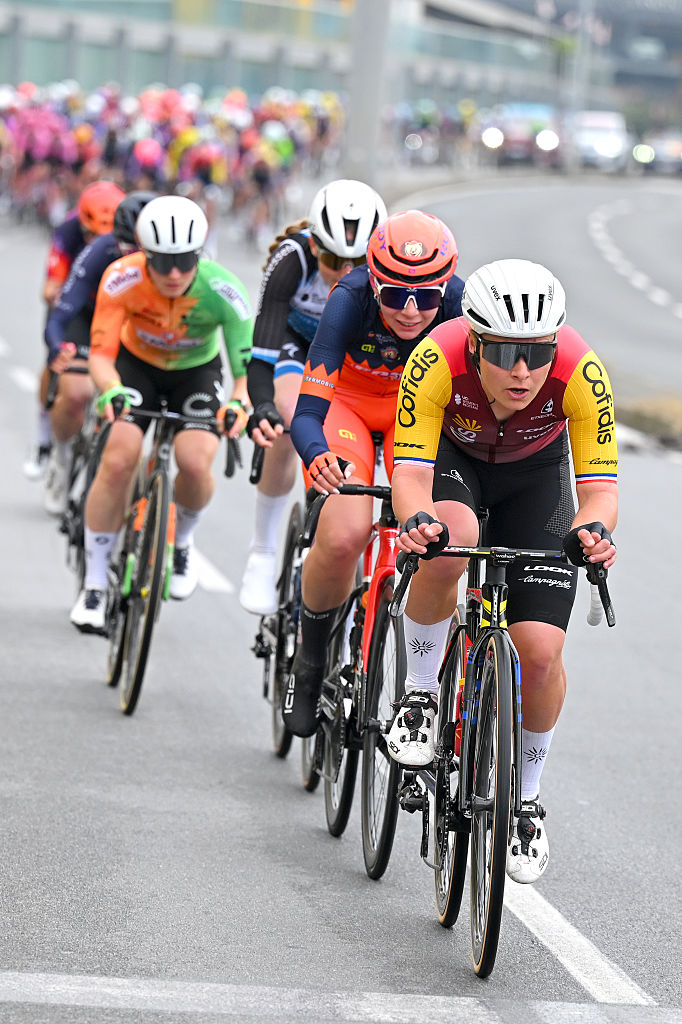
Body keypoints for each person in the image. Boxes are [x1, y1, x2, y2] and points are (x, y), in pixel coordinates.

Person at [388, 258, 618, 884]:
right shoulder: (436, 358)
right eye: (505, 353)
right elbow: (410, 474)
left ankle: (528, 796)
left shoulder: (581, 371)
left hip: (536, 478)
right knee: (452, 539)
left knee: (539, 652)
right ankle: (421, 693)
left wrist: (592, 532)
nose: (522, 371)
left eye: (537, 353)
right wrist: (416, 520)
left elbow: (599, 492)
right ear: (475, 343)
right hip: (453, 461)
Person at [283, 209, 465, 737]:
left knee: (443, 534)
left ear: (445, 289)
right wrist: (318, 454)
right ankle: (310, 660)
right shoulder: (349, 297)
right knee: (344, 536)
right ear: (375, 283)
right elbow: (308, 411)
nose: (410, 310)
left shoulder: (459, 306)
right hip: (349, 410)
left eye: (426, 297)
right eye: (396, 295)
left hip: (417, 415)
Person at [70, 194, 253, 633]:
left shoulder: (224, 289)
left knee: (195, 461)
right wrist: (111, 390)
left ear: (200, 254)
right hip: (136, 367)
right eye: (162, 262)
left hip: (196, 372)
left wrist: (238, 404)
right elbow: (100, 356)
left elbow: (247, 372)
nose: (173, 274)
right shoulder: (122, 278)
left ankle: (182, 540)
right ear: (144, 254)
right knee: (119, 457)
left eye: (185, 261)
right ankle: (94, 583)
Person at [238, 178, 387, 616]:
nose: (346, 273)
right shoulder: (292, 261)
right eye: (333, 260)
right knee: (289, 418)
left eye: (358, 262)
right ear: (314, 245)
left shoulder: (389, 274)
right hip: (298, 347)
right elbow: (262, 356)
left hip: (353, 361)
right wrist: (263, 405)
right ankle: (263, 549)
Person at [42, 191, 157, 515]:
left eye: (140, 251)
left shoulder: (174, 265)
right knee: (76, 392)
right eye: (125, 247)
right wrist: (58, 346)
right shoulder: (99, 250)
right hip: (90, 317)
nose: (130, 257)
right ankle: (62, 458)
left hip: (136, 326)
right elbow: (61, 314)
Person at [24, 179, 126, 481]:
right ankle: (48, 442)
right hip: (78, 305)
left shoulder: (132, 234)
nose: (100, 244)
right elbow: (50, 287)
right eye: (92, 235)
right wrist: (61, 294)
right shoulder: (67, 232)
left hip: (119, 309)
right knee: (67, 378)